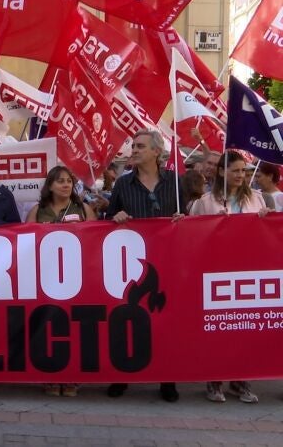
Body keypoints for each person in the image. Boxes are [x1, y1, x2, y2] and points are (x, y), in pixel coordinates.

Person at [106, 129, 183, 403]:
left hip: (167, 260)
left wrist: (180, 218)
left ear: (156, 152)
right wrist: (116, 216)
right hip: (132, 264)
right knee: (128, 315)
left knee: (165, 320)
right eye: (133, 146)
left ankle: (167, 378)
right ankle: (122, 375)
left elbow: (186, 215)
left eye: (140, 146)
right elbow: (107, 217)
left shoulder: (175, 181)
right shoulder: (123, 185)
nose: (134, 150)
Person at [190, 150, 271, 403]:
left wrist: (265, 220)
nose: (241, 175)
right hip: (215, 272)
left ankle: (241, 380)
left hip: (247, 271)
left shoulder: (258, 199)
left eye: (243, 171)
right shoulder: (204, 201)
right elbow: (191, 235)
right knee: (217, 327)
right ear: (222, 171)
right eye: (235, 170)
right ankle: (215, 381)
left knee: (243, 326)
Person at [26, 165, 95, 397]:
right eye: (60, 181)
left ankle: (72, 377)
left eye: (68, 180)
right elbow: (24, 242)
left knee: (75, 328)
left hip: (77, 278)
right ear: (50, 186)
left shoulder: (83, 208)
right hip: (46, 279)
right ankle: (51, 377)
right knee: (49, 327)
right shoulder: (38, 210)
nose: (65, 185)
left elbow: (97, 238)